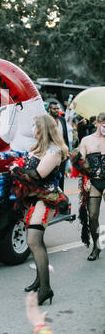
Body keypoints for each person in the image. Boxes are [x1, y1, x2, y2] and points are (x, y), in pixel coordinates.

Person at [10, 114, 69, 306]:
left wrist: (16, 170)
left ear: (42, 129)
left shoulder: (54, 151)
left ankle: (46, 289)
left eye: (35, 126)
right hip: (34, 200)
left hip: (47, 199)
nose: (32, 129)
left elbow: (37, 175)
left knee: (33, 241)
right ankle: (39, 281)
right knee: (37, 241)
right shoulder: (37, 148)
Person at [71, 111, 105, 261]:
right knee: (92, 216)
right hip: (95, 181)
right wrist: (86, 179)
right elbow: (80, 162)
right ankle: (96, 246)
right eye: (103, 123)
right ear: (97, 123)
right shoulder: (86, 140)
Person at [48, 101, 69, 190]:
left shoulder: (62, 119)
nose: (56, 110)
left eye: (57, 108)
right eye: (54, 109)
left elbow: (65, 136)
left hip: (62, 153)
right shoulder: (47, 121)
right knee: (51, 176)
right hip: (50, 153)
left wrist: (67, 151)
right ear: (49, 110)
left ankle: (61, 197)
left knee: (61, 176)